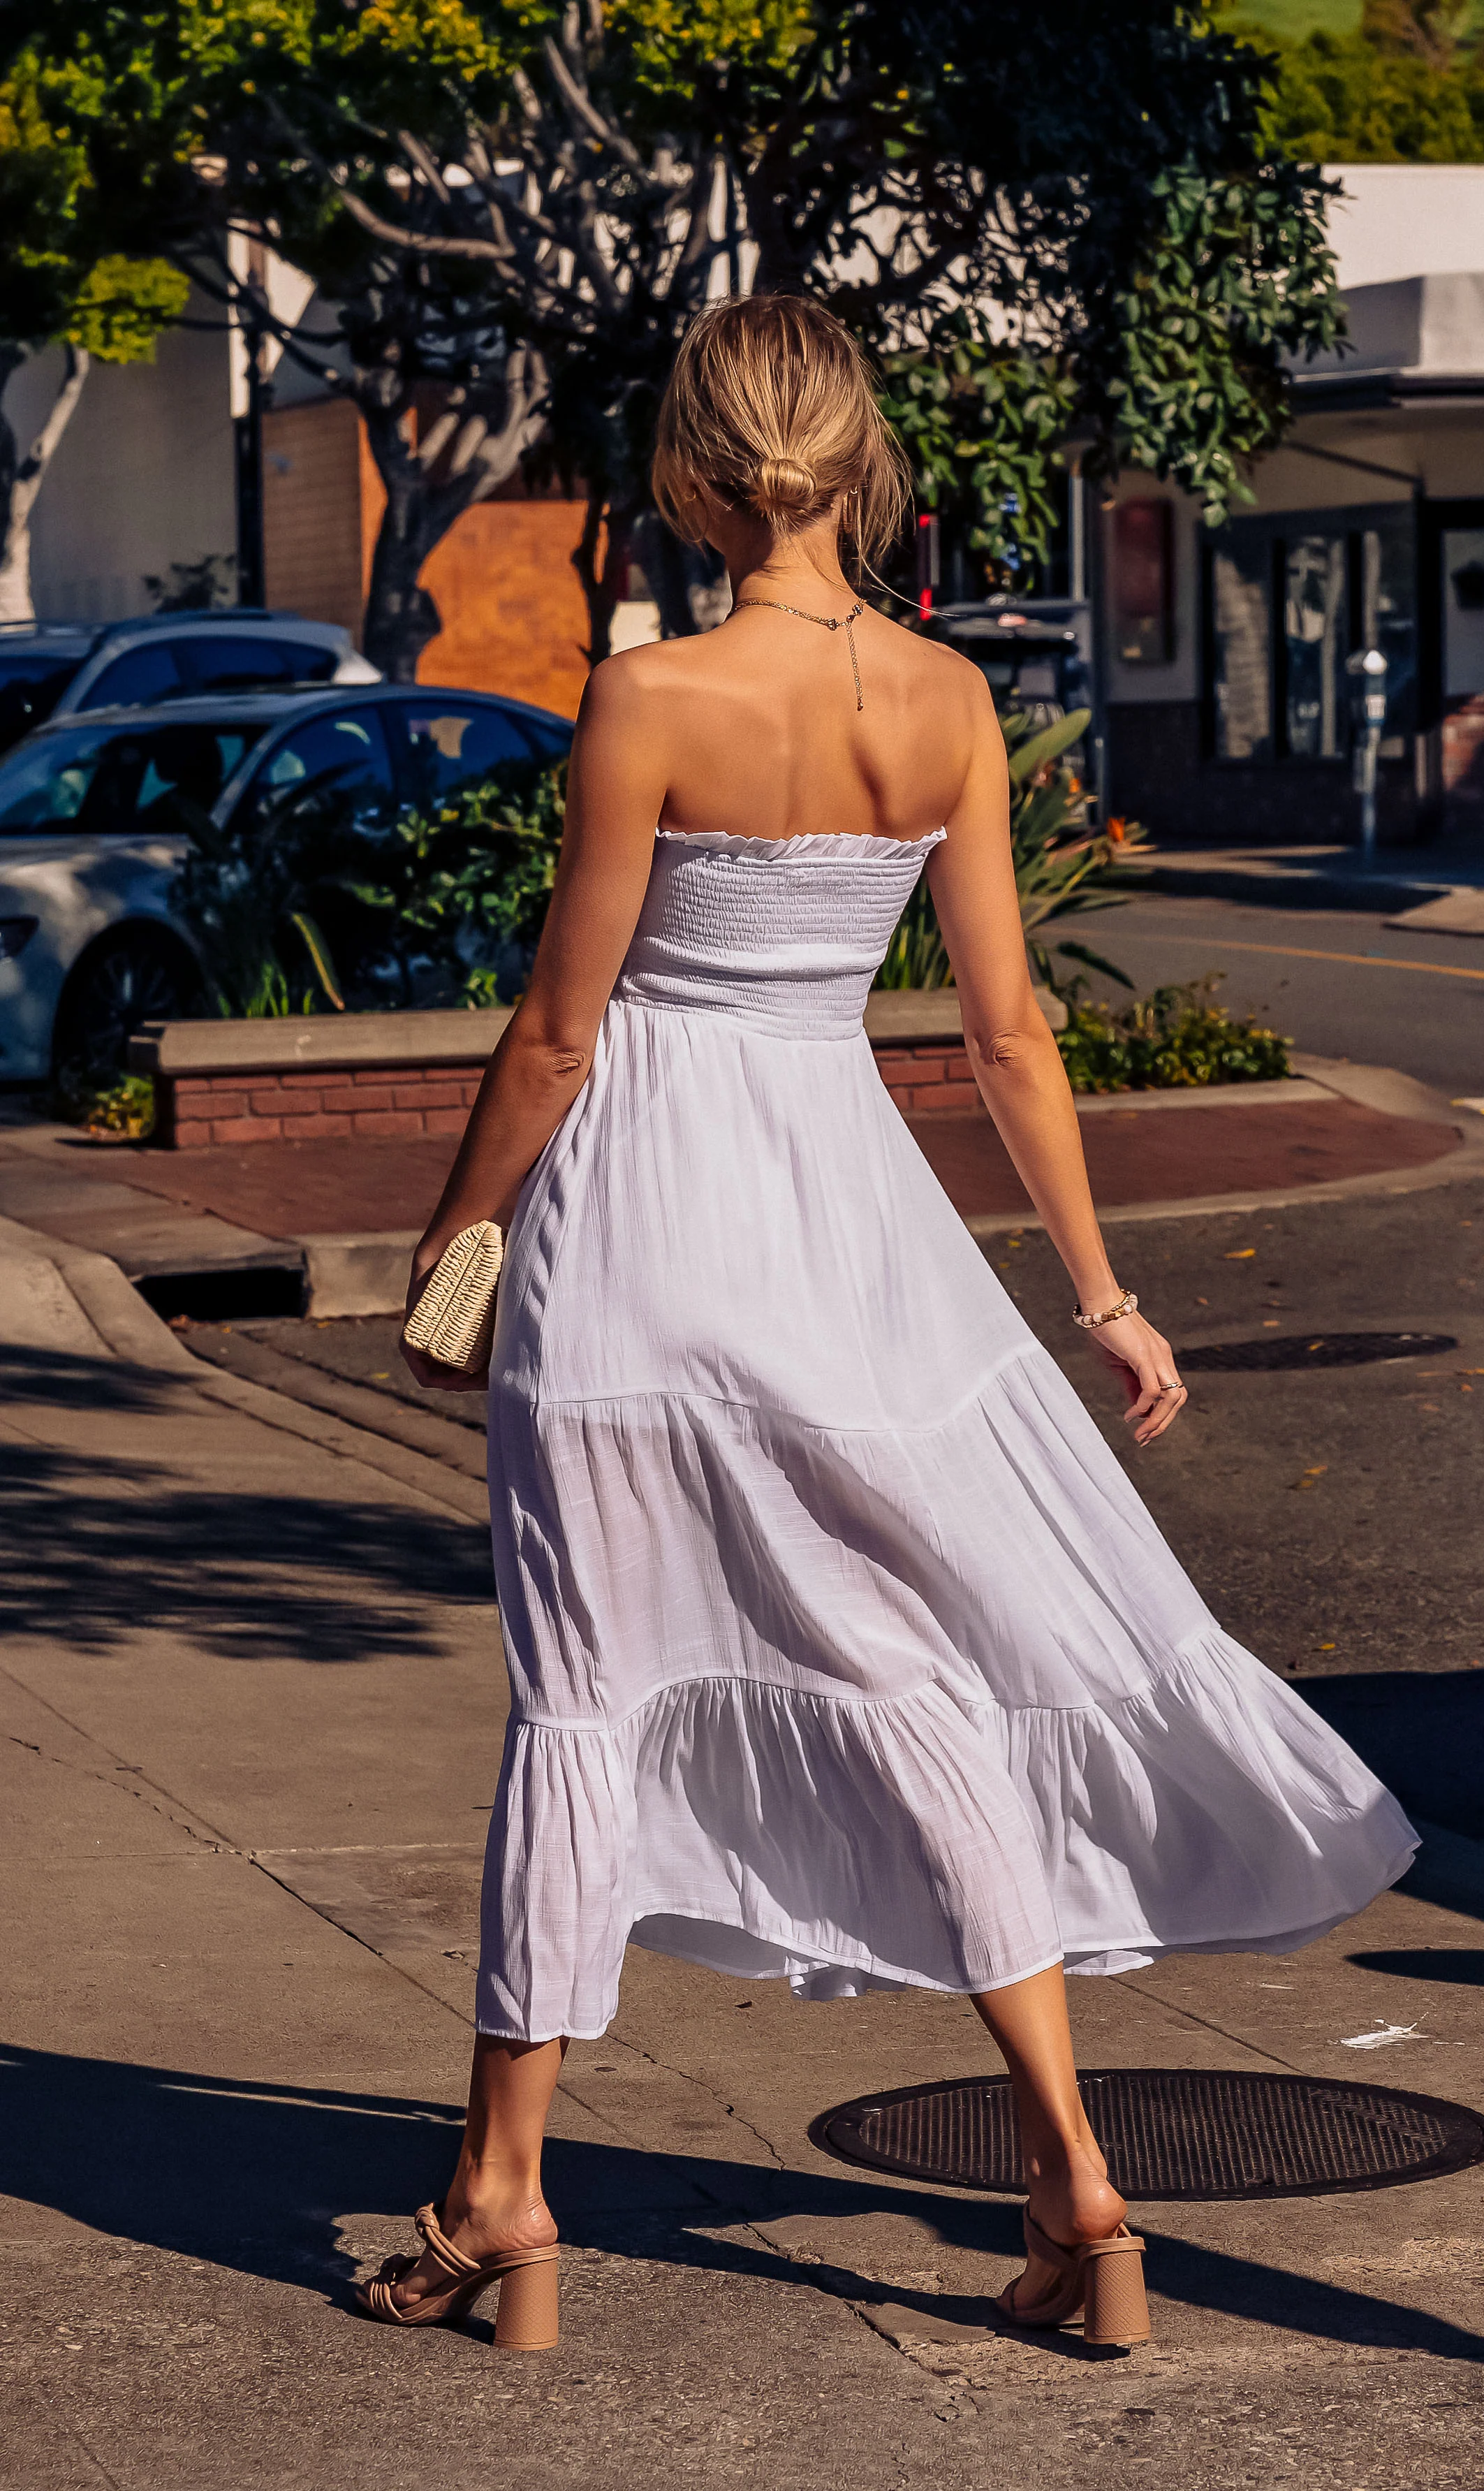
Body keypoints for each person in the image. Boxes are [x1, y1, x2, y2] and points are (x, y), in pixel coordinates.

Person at [360, 296, 1417, 2354]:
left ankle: (501, 2197)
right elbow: (1010, 1034)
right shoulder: (946, 703)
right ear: (861, 466)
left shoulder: (648, 696)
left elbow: (562, 1031)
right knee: (919, 1687)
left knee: (583, 1693)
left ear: (691, 476)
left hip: (644, 1237)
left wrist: (453, 1239)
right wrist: (1103, 1297)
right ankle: (1078, 2184)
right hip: (847, 1236)